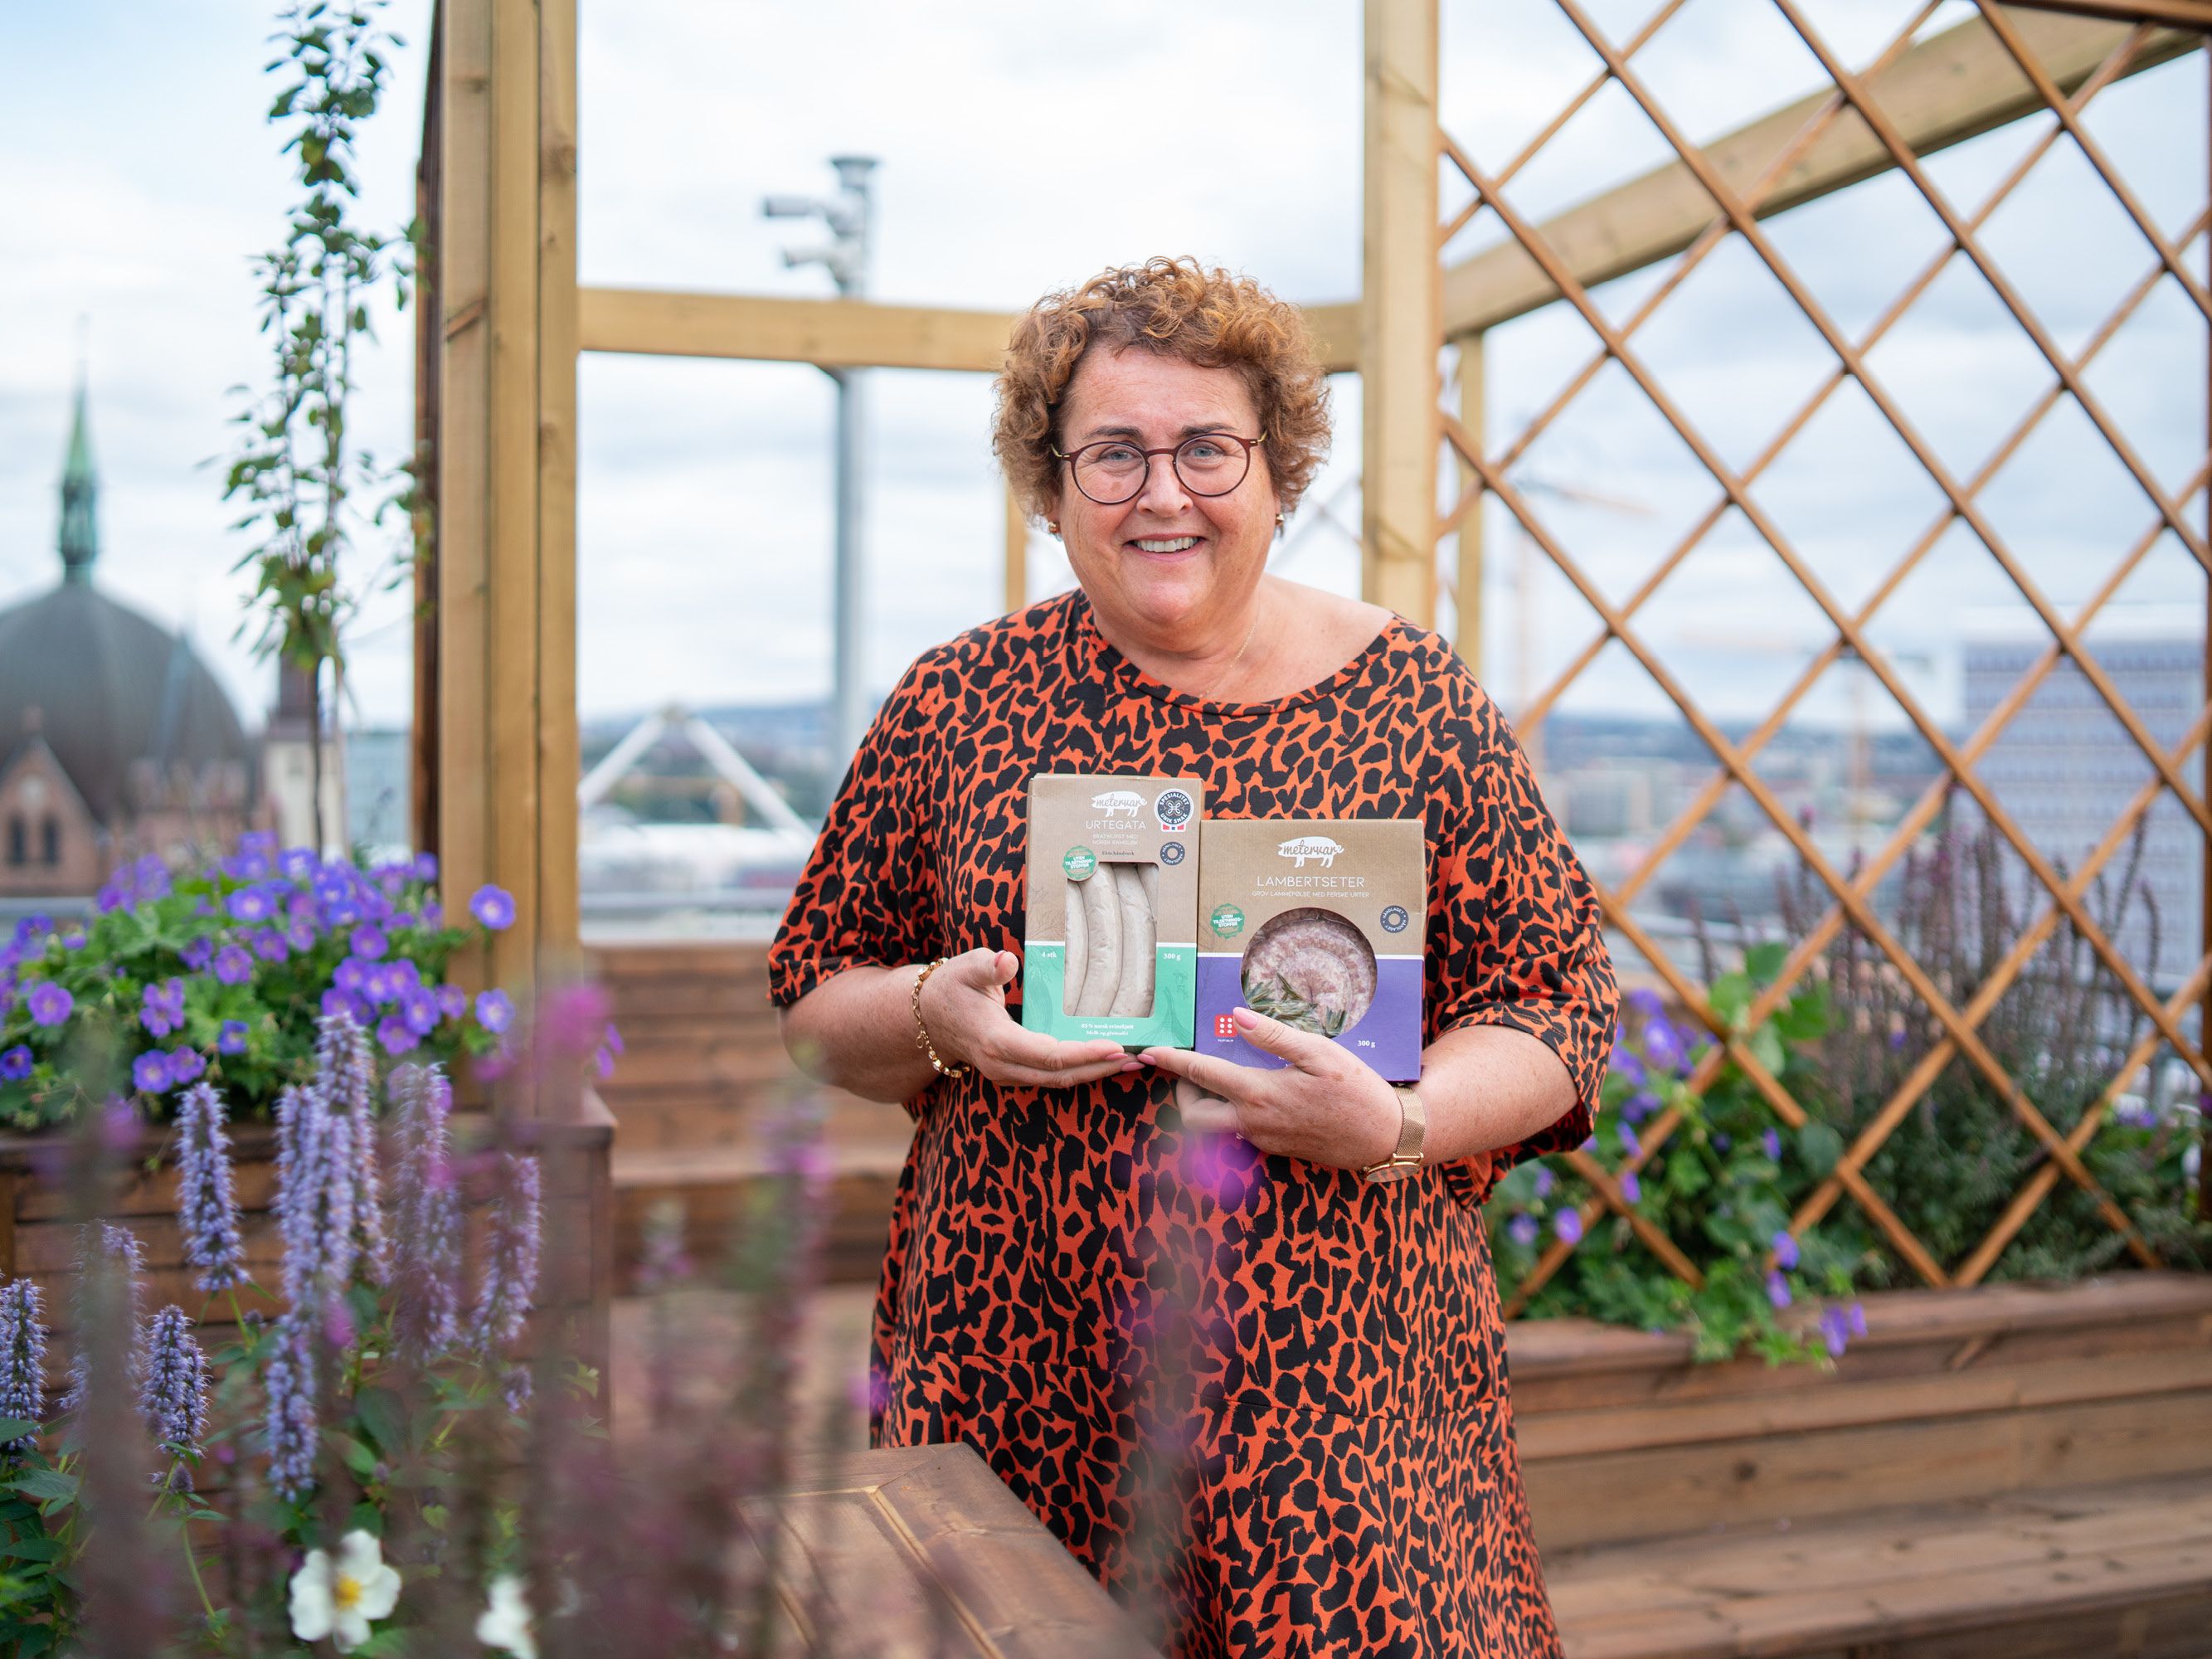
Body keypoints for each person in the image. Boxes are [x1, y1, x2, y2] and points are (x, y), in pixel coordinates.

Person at [771, 255, 1617, 1657]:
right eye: (1112, 454)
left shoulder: (1413, 700)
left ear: (1278, 473)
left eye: (1207, 448)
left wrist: (1396, 1121)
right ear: (1050, 493)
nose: (1163, 493)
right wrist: (937, 1012)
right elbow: (814, 1002)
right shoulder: (955, 701)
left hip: (1342, 1402)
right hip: (1016, 1378)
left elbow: (1557, 1002)